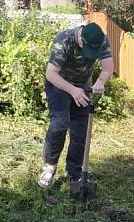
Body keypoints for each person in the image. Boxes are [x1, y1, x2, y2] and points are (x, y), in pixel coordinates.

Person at [37, 22, 114, 189]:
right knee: (60, 123)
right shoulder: (64, 40)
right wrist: (73, 90)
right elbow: (50, 73)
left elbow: (108, 67)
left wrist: (100, 82)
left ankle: (74, 171)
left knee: (81, 130)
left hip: (83, 86)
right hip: (59, 84)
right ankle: (49, 167)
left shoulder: (101, 39)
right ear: (80, 37)